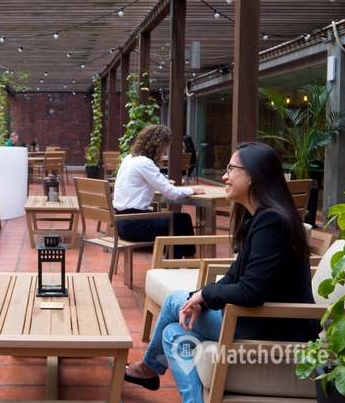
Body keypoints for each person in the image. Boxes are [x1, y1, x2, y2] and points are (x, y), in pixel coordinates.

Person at [123, 142, 321, 401]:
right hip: (259, 319)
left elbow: (251, 292)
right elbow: (233, 276)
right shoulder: (260, 218)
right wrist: (201, 299)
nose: (225, 176)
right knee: (173, 334)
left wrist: (204, 294)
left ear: (253, 176)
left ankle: (148, 368)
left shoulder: (272, 222)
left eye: (231, 169)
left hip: (275, 326)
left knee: (173, 302)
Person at [113, 124, 205, 259]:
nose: (164, 153)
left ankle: (184, 263)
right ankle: (175, 266)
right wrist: (192, 189)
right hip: (136, 225)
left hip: (121, 223)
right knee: (183, 221)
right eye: (164, 148)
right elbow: (172, 194)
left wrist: (162, 182)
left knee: (178, 221)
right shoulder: (145, 163)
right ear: (158, 146)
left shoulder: (129, 158)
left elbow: (139, 183)